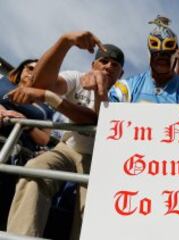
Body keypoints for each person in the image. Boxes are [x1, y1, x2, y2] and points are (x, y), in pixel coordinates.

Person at [6, 31, 124, 239]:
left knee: (93, 207)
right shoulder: (78, 78)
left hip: (98, 160)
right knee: (36, 170)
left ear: (121, 74)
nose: (108, 66)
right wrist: (65, 41)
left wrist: (50, 97)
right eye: (103, 61)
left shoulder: (122, 99)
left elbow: (95, 119)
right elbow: (41, 83)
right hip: (67, 148)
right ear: (93, 65)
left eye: (115, 65)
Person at [108, 15, 179, 123]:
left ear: (175, 56)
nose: (161, 58)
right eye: (157, 55)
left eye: (166, 55)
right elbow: (105, 110)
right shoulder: (128, 86)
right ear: (149, 54)